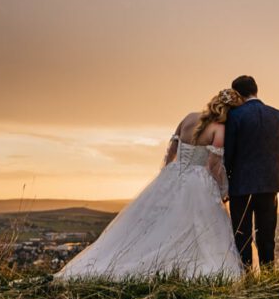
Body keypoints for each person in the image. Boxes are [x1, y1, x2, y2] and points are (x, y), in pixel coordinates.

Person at [54, 89, 245, 280]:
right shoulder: (219, 129)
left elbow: (171, 151)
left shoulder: (188, 118)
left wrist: (167, 176)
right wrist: (222, 189)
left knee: (160, 222)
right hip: (198, 182)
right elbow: (213, 165)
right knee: (194, 226)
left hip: (173, 175)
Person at [224, 75, 279, 268]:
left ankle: (247, 276)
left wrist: (226, 181)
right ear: (256, 89)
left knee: (242, 234)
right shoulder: (278, 115)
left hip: (240, 185)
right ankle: (269, 275)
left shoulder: (234, 116)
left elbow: (229, 152)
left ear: (237, 93)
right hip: (270, 184)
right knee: (267, 234)